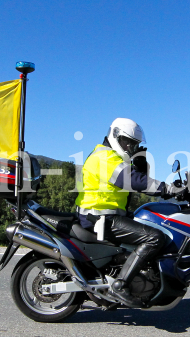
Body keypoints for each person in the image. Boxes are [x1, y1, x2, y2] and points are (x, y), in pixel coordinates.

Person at [75, 118, 183, 305]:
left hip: (106, 216)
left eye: (134, 144)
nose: (130, 147)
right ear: (115, 136)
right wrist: (168, 189)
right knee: (154, 237)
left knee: (148, 222)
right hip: (99, 218)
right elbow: (133, 180)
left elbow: (136, 179)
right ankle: (121, 285)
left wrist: (140, 165)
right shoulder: (104, 157)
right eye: (128, 142)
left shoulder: (112, 157)